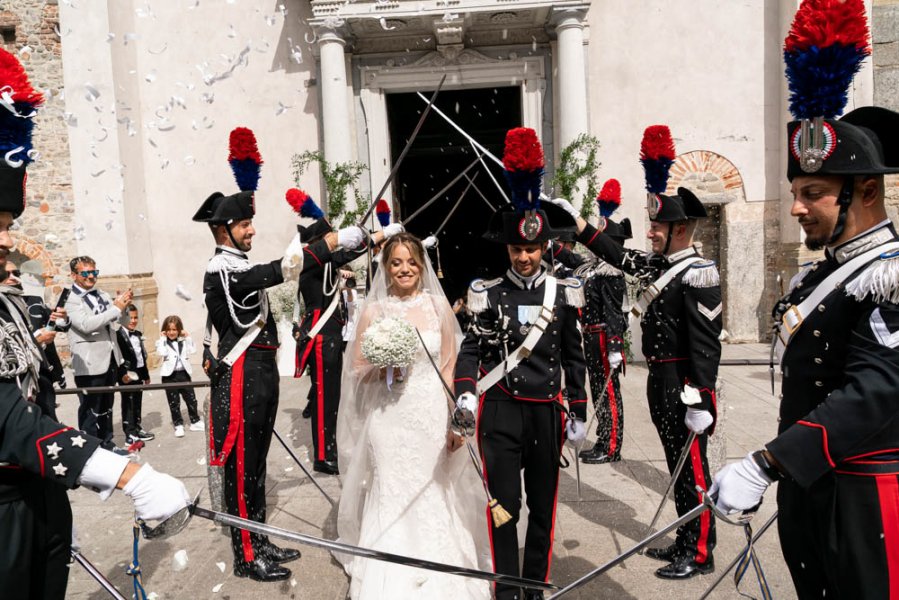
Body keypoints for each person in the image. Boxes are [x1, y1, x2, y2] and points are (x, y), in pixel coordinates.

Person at [0, 46, 190, 599]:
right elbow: (11, 420)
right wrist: (126, 474)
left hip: (40, 492)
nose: (7, 239)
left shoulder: (7, 302)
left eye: (8, 222)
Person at [709, 105, 899, 600]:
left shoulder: (890, 276)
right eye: (795, 194)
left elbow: (877, 392)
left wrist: (767, 463)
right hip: (811, 485)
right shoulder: (821, 276)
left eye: (812, 194)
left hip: (864, 499)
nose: (796, 208)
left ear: (868, 192)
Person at [553, 177, 722, 579]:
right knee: (676, 466)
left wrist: (701, 396)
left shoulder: (698, 273)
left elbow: (705, 345)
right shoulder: (659, 265)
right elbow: (613, 252)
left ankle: (700, 551)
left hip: (684, 384)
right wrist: (576, 222)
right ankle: (685, 537)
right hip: (660, 380)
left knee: (692, 470)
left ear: (679, 230)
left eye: (657, 227)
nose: (650, 233)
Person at [453, 127, 588, 600]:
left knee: (544, 507)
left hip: (547, 412)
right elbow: (471, 348)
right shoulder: (487, 294)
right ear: (506, 249)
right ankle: (507, 588)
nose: (525, 257)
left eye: (532, 249)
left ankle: (535, 584)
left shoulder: (564, 292)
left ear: (545, 247)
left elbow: (574, 354)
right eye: (517, 250)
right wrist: (467, 392)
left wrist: (580, 410)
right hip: (503, 412)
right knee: (504, 506)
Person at [336, 232, 490, 600]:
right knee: (391, 486)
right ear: (386, 270)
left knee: (434, 485)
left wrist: (458, 418)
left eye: (411, 262)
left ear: (422, 266)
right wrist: (385, 363)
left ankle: (442, 564)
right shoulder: (374, 311)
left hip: (429, 412)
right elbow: (356, 368)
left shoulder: (439, 308)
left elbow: (451, 366)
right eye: (396, 263)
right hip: (389, 417)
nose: (404, 269)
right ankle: (389, 569)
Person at [194, 128, 313, 582]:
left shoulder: (238, 265)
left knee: (256, 464)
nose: (252, 230)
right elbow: (274, 273)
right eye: (245, 225)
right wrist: (330, 242)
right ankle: (245, 553)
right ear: (224, 229)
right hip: (242, 371)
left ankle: (258, 538)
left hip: (259, 370)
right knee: (242, 464)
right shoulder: (221, 267)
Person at [292, 190, 400, 475]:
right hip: (319, 334)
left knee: (331, 396)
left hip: (330, 333)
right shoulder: (310, 261)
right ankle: (322, 454)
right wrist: (379, 235)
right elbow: (347, 253)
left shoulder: (324, 263)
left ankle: (329, 446)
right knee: (323, 397)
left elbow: (350, 252)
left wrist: (378, 235)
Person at [65, 255, 132, 447]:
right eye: (85, 273)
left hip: (110, 358)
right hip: (88, 363)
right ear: (74, 275)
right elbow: (85, 325)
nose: (91, 276)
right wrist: (115, 309)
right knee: (90, 409)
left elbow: (119, 323)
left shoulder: (101, 294)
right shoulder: (70, 299)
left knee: (106, 407)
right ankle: (90, 448)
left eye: (94, 272)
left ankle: (107, 443)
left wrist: (124, 308)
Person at [4, 261, 69, 420]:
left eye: (16, 273)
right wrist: (38, 339)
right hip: (17, 382)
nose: (13, 278)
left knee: (49, 423)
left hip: (43, 377)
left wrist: (62, 318)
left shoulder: (34, 300)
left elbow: (59, 327)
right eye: (6, 275)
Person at [156, 314, 201, 438]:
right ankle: (178, 424)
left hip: (184, 374)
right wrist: (162, 340)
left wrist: (188, 337)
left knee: (191, 398)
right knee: (174, 402)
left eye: (174, 329)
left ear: (179, 330)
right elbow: (162, 352)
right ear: (165, 330)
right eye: (169, 330)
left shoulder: (183, 341)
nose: (171, 332)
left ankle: (195, 421)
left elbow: (193, 351)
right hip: (169, 377)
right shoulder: (162, 343)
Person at [116, 303, 154, 444]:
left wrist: (146, 375)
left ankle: (137, 427)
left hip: (138, 373)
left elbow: (141, 358)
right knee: (128, 402)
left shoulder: (138, 335)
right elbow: (117, 357)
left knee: (137, 401)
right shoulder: (117, 336)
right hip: (126, 375)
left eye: (135, 317)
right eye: (130, 318)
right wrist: (121, 375)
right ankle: (129, 432)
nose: (133, 320)